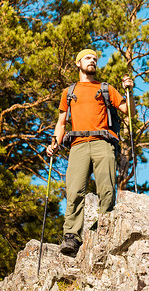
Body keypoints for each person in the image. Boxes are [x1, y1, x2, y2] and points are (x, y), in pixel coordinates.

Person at [46, 49, 136, 257]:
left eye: (95, 59)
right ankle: (72, 237)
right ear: (78, 63)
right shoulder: (69, 91)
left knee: (107, 189)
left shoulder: (106, 88)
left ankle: (104, 231)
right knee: (75, 190)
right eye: (88, 58)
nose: (92, 61)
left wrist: (130, 91)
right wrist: (54, 144)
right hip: (77, 145)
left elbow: (129, 112)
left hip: (103, 143)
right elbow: (61, 123)